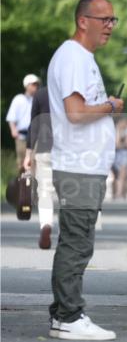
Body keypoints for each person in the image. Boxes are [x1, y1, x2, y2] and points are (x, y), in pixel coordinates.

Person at [46, 0, 123, 341]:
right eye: (104, 19)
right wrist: (110, 106)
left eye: (112, 20)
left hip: (85, 165)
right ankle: (69, 317)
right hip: (78, 165)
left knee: (78, 242)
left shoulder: (82, 58)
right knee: (76, 243)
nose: (110, 26)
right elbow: (76, 113)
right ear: (82, 21)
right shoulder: (73, 56)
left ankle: (64, 315)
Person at [23, 82, 55, 249]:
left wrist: (28, 154)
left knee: (45, 191)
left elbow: (33, 125)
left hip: (45, 147)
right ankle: (71, 233)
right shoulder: (74, 93)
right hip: (70, 150)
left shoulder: (41, 94)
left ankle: (46, 224)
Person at [7, 74, 39, 167]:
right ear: (27, 85)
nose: (36, 87)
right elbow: (11, 117)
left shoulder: (37, 99)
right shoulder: (18, 99)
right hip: (21, 136)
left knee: (33, 161)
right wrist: (13, 129)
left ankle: (32, 176)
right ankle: (21, 176)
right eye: (33, 84)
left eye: (37, 85)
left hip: (34, 136)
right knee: (21, 162)